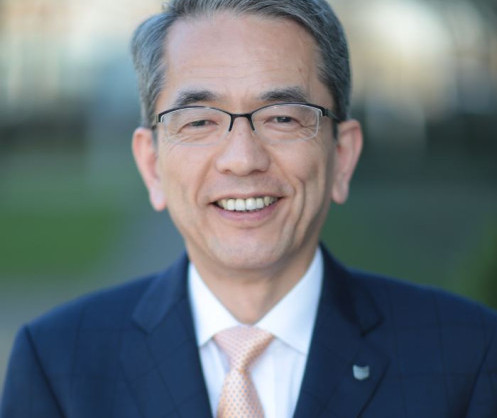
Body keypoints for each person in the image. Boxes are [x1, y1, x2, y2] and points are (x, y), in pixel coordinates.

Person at [2, 0, 497, 416]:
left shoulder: (467, 353)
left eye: (282, 117)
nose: (242, 159)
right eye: (198, 121)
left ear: (342, 156)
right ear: (151, 164)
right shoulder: (57, 365)